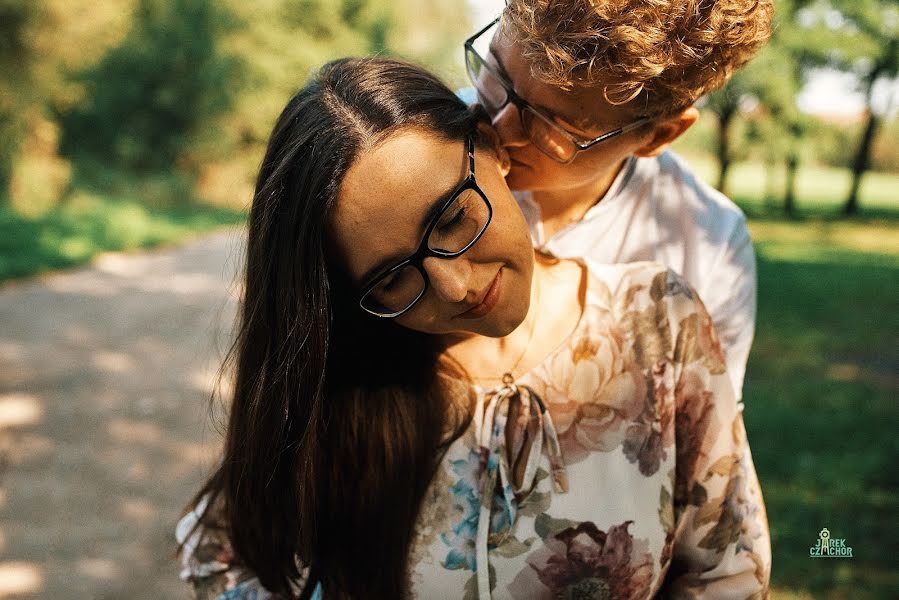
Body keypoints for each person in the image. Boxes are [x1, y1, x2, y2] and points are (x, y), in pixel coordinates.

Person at [176, 57, 770, 599]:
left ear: (492, 149)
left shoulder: (660, 323)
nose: (455, 286)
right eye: (392, 278)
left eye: (454, 217)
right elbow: (220, 554)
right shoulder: (349, 378)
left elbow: (727, 570)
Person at [463, 0, 775, 400]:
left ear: (658, 136)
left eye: (552, 124)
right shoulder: (413, 151)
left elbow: (704, 438)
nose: (500, 126)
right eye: (497, 74)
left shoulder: (709, 248)